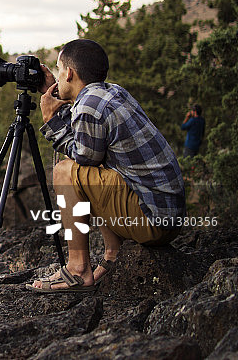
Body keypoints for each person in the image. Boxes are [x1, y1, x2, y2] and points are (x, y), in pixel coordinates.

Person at [27, 39, 185, 293]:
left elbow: (83, 159)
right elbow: (88, 140)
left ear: (69, 73)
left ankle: (78, 270)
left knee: (65, 172)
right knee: (98, 172)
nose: (57, 76)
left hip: (154, 222)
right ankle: (113, 258)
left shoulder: (89, 106)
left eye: (58, 70)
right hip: (165, 215)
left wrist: (51, 121)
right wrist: (53, 92)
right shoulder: (111, 92)